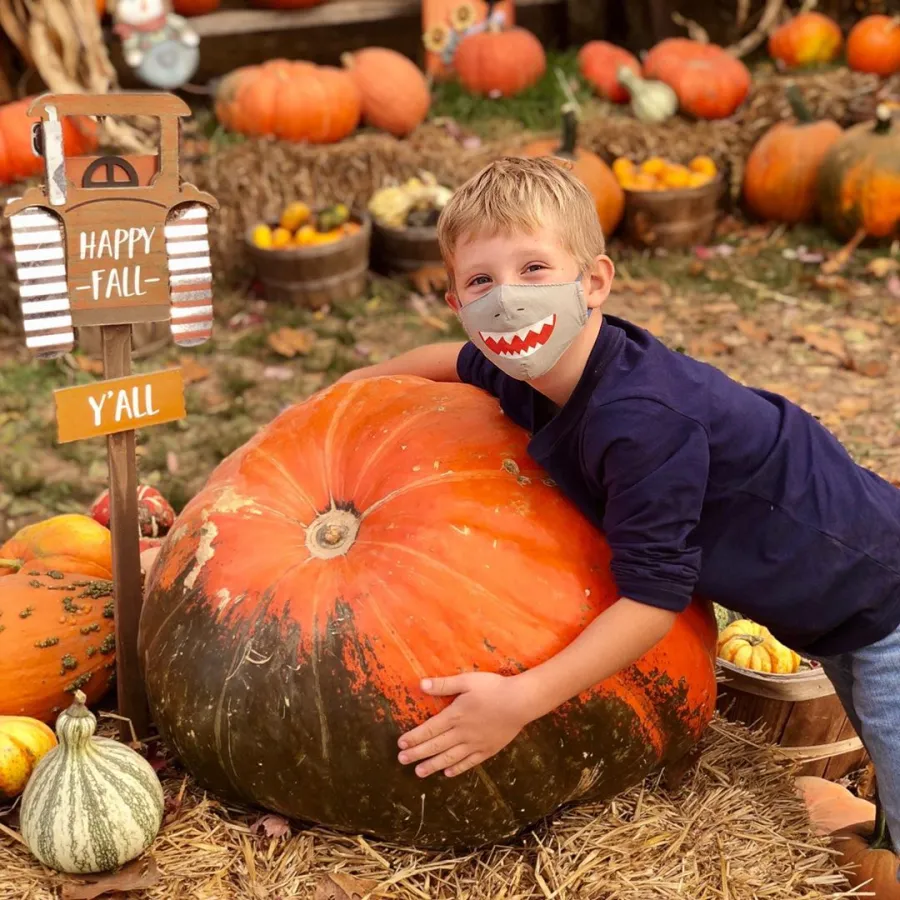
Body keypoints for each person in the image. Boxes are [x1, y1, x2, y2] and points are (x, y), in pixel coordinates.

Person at [346, 155, 900, 849]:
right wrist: (342, 398)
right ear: (458, 306)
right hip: (832, 615)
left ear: (595, 282)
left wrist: (518, 702)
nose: (507, 298)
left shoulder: (639, 423)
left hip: (881, 600)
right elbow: (443, 362)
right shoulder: (527, 368)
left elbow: (652, 603)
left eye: (533, 269)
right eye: (481, 281)